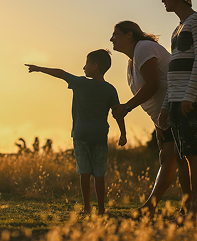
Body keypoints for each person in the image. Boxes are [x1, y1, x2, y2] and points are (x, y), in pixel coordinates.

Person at [25, 49, 127, 215]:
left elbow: (60, 73)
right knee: (99, 174)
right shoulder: (110, 89)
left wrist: (39, 68)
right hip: (100, 135)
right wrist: (123, 133)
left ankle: (87, 208)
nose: (84, 67)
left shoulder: (80, 83)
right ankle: (101, 209)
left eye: (86, 64)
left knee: (84, 172)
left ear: (94, 66)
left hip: (81, 135)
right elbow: (117, 113)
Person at [110, 20, 191, 217]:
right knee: (168, 158)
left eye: (116, 34)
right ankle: (158, 206)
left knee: (181, 158)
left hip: (177, 106)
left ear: (129, 35)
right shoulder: (133, 60)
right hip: (164, 115)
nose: (111, 38)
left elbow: (154, 84)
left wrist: (127, 107)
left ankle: (189, 207)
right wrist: (158, 124)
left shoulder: (143, 48)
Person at [158, 0, 197, 218]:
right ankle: (186, 207)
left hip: (192, 101)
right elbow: (174, 71)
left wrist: (190, 96)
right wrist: (165, 106)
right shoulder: (178, 28)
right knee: (181, 158)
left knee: (194, 155)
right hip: (175, 102)